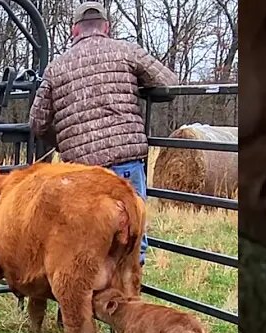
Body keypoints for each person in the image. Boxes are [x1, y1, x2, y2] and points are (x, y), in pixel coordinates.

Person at [29, 0, 178, 268]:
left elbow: (37, 122)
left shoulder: (56, 68)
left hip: (81, 174)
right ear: (106, 27)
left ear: (75, 30)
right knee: (130, 246)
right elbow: (169, 83)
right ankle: (126, 302)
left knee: (85, 248)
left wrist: (63, 141)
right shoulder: (126, 51)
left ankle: (84, 305)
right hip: (126, 167)